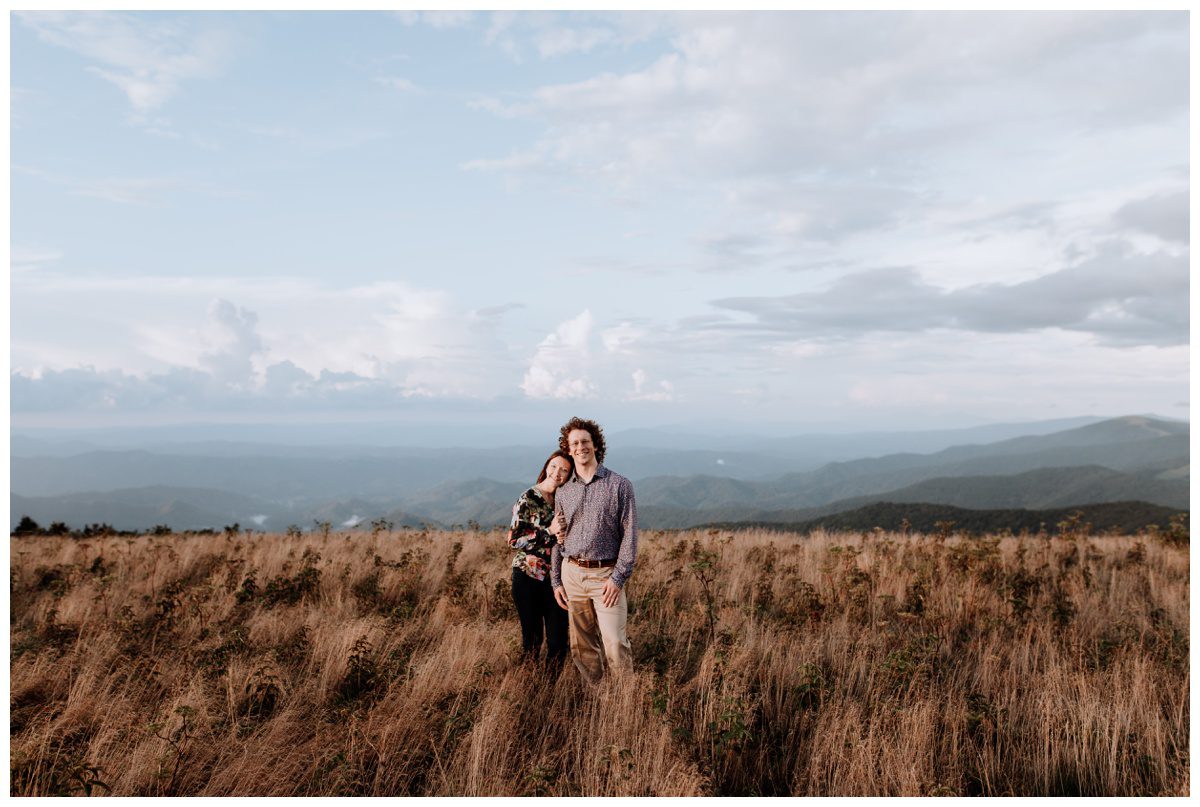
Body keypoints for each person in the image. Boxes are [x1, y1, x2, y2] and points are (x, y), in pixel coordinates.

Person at [549, 417, 638, 683]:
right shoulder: (564, 491)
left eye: (585, 441)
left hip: (605, 576)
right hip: (572, 574)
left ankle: (624, 703)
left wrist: (618, 578)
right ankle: (599, 697)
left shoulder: (619, 485)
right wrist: (556, 580)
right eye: (574, 443)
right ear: (568, 449)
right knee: (582, 647)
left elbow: (630, 537)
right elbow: (559, 539)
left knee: (615, 643)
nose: (580, 447)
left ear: (596, 445)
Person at [506, 450, 573, 666]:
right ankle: (529, 687)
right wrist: (549, 531)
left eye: (564, 469)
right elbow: (514, 540)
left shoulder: (564, 500)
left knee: (559, 642)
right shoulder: (528, 498)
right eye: (554, 466)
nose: (557, 472)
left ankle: (550, 693)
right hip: (528, 577)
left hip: (556, 580)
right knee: (532, 641)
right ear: (546, 466)